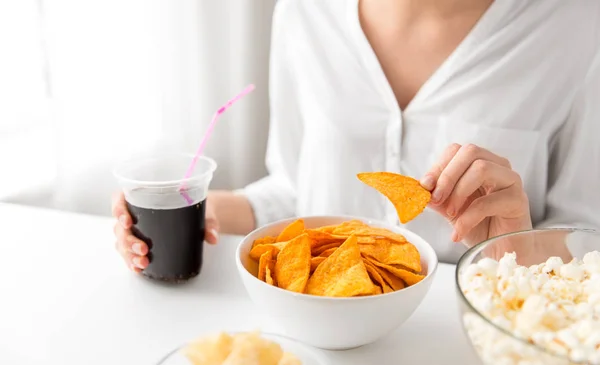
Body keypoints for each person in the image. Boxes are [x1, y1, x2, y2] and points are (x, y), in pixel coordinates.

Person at [113, 0, 600, 273]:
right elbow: (296, 193)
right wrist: (204, 210)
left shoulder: (579, 30)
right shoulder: (307, 14)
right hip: (315, 340)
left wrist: (521, 245)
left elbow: (588, 239)